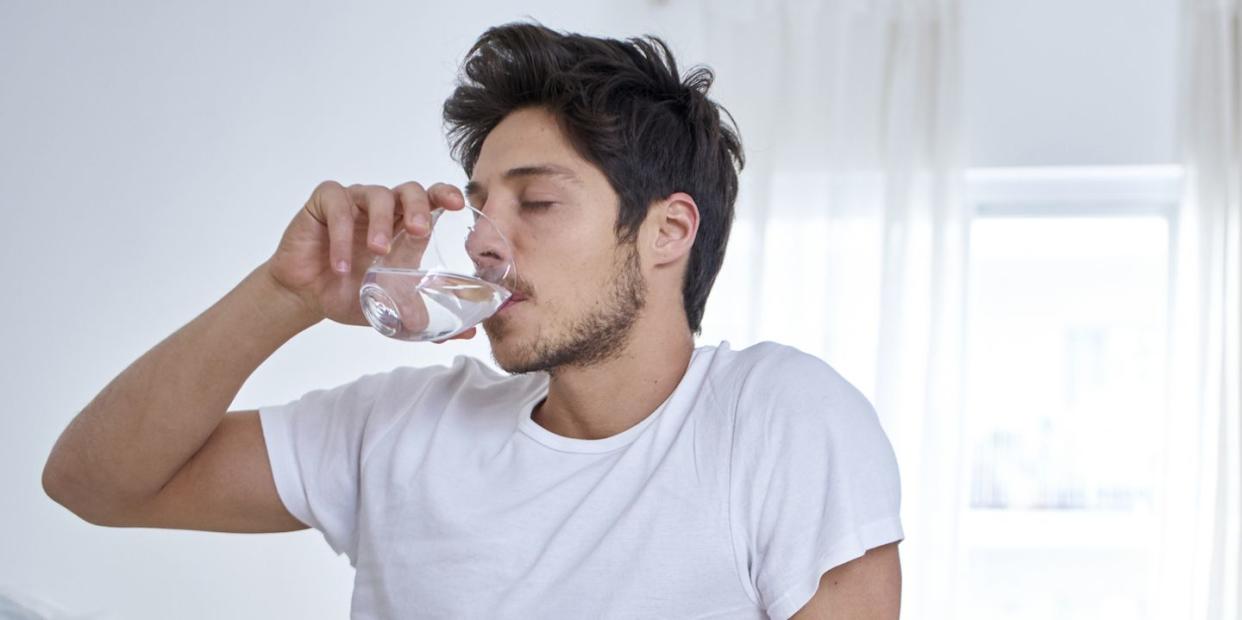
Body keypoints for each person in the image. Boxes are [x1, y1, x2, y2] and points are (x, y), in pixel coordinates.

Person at [42, 22, 903, 619]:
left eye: (536, 202)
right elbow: (94, 481)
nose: (488, 245)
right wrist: (286, 293)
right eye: (484, 208)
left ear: (668, 231)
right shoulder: (400, 426)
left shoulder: (779, 418)